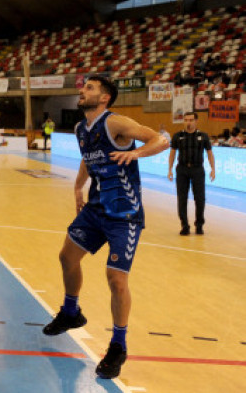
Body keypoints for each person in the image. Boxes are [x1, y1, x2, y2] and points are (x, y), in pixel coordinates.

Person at [42, 75, 168, 380]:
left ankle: (118, 346)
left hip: (125, 215)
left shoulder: (116, 123)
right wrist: (77, 189)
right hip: (96, 208)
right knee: (67, 257)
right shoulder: (80, 129)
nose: (82, 91)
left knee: (116, 280)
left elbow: (162, 139)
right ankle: (71, 312)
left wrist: (135, 153)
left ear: (104, 98)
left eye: (89, 88)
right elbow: (88, 160)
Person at [168, 111, 215, 235]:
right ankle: (185, 226)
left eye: (191, 120)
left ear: (196, 121)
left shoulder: (203, 136)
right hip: (182, 170)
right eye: (186, 120)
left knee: (200, 199)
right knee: (182, 199)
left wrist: (213, 169)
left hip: (198, 170)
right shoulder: (177, 136)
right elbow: (172, 153)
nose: (188, 122)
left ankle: (199, 225)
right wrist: (170, 169)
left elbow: (210, 153)